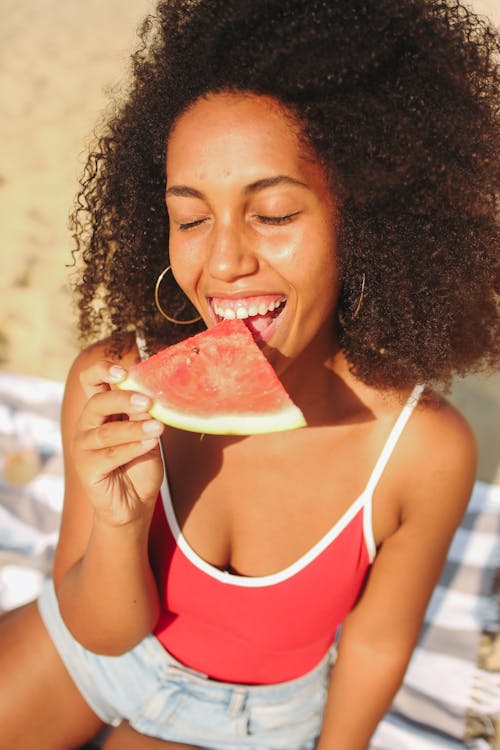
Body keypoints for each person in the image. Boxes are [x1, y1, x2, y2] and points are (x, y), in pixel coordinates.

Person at [1, 1, 498, 748]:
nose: (224, 262)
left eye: (271, 213)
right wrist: (120, 522)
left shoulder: (421, 450)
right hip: (92, 653)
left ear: (365, 221)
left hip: (251, 721)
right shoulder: (115, 381)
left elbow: (374, 645)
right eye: (192, 218)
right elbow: (101, 633)